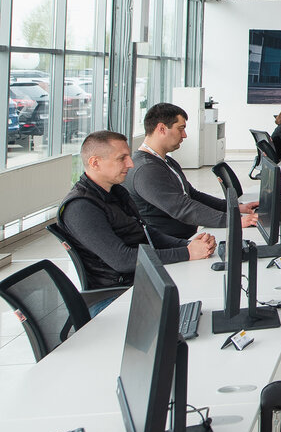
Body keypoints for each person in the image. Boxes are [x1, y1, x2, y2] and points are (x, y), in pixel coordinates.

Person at [57, 131, 216, 298]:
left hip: (142, 278)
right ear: (95, 163)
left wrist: (188, 245)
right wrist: (187, 253)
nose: (130, 163)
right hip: (119, 295)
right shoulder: (81, 207)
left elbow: (146, 233)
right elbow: (123, 260)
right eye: (122, 158)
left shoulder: (116, 191)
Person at [125, 103, 258, 240]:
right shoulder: (146, 169)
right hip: (171, 245)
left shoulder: (166, 161)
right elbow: (181, 208)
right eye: (181, 129)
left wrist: (235, 208)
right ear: (162, 129)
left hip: (188, 239)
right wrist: (233, 221)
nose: (184, 135)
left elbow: (192, 195)